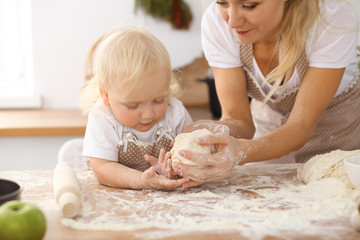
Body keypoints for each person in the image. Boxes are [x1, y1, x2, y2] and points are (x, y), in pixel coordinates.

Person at [172, 0, 360, 188]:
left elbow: (301, 124)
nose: (232, 22)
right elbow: (238, 119)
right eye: (223, 3)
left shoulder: (330, 19)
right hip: (268, 125)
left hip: (337, 129)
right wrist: (217, 135)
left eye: (249, 5)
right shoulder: (217, 23)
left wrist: (243, 151)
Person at [81, 26, 192, 189]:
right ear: (106, 95)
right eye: (132, 106)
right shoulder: (103, 118)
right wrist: (141, 180)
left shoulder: (175, 113)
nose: (148, 114)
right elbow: (103, 168)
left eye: (159, 100)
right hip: (119, 203)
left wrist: (174, 170)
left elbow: (192, 156)